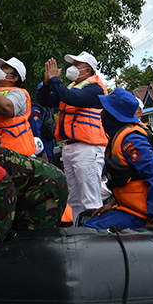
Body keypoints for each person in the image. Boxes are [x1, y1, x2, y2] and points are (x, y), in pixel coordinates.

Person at [84, 88, 153, 230]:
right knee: (88, 222)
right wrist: (112, 204)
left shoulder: (133, 140)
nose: (102, 114)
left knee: (88, 231)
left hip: (145, 214)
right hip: (131, 208)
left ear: (114, 115)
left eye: (106, 110)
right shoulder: (120, 135)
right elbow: (129, 178)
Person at [38, 51, 108, 221]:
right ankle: (79, 229)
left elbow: (72, 99)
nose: (73, 67)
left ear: (88, 70)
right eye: (73, 64)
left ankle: (95, 232)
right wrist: (47, 84)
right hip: (69, 147)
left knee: (90, 198)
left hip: (88, 148)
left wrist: (55, 79)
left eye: (77, 64)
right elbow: (45, 101)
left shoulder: (95, 88)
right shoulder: (70, 88)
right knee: (74, 198)